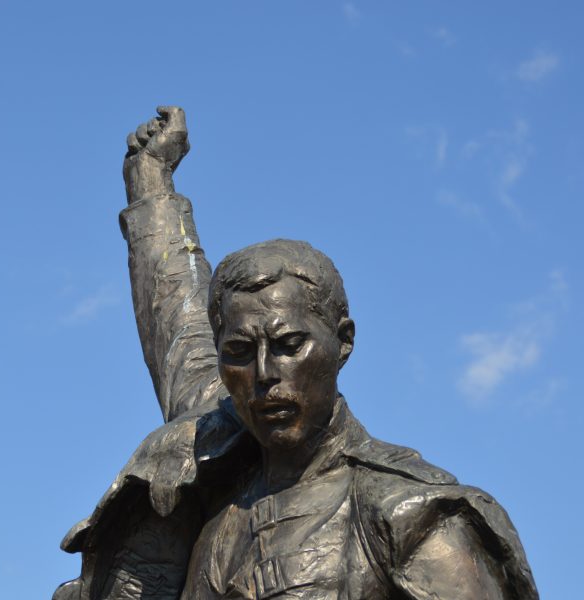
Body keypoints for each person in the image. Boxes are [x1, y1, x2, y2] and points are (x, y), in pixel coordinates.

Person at [53, 107, 538, 599]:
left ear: (343, 341)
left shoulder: (412, 516)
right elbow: (175, 320)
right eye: (239, 352)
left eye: (289, 346)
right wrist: (150, 183)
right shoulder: (213, 460)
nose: (264, 374)